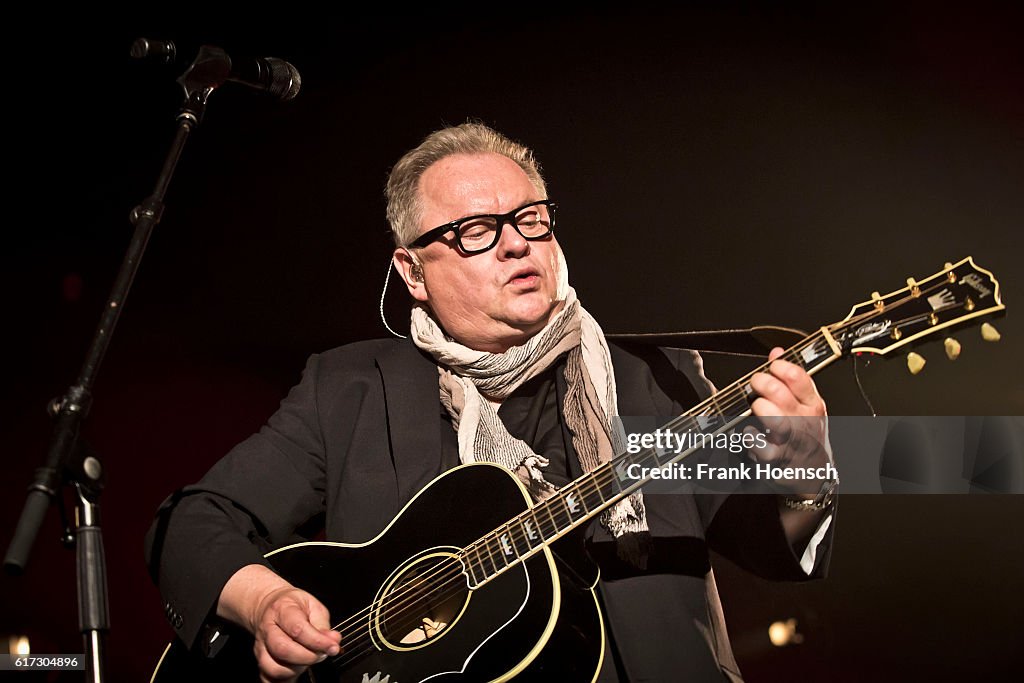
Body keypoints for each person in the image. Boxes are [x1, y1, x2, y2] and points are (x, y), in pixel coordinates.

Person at [146, 123, 836, 682]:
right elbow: (194, 522)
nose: (515, 243)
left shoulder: (651, 379)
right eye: (476, 230)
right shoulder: (351, 390)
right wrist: (265, 600)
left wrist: (807, 467)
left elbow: (771, 544)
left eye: (531, 219)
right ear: (412, 271)